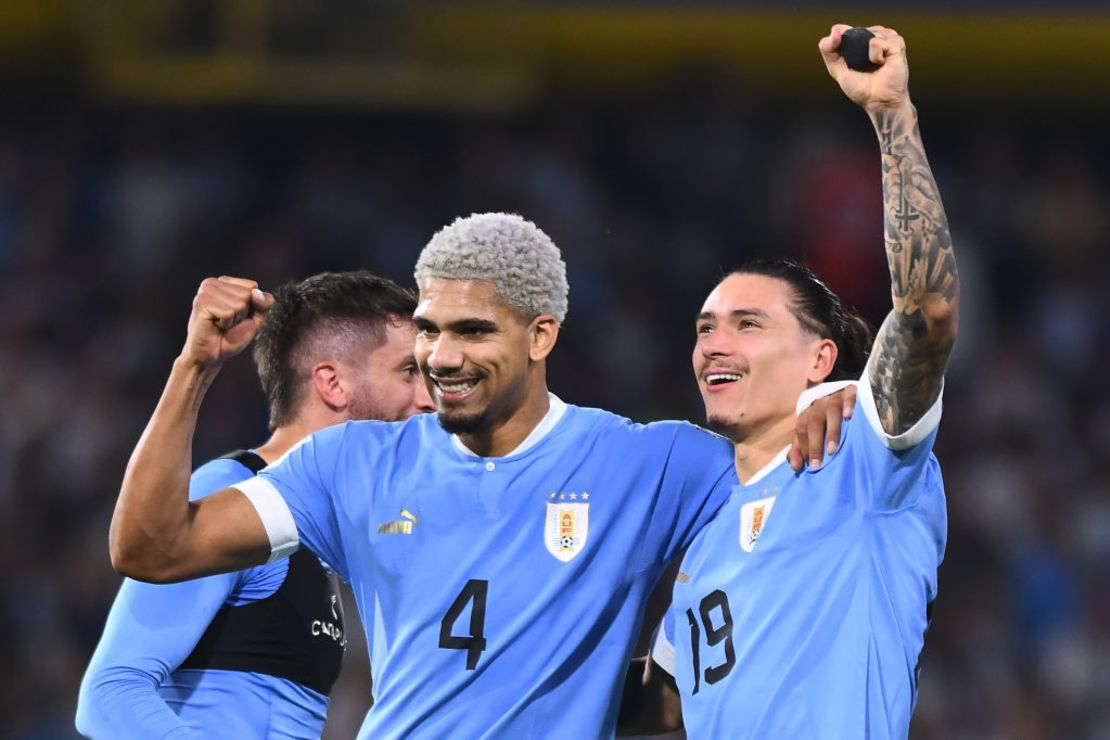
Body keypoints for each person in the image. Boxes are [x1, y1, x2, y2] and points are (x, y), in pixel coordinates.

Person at [107, 213, 853, 735]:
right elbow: (152, 548)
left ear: (540, 335)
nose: (442, 357)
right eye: (428, 330)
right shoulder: (351, 464)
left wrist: (840, 399)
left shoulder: (651, 464)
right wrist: (195, 368)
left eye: (471, 331)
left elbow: (801, 475)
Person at [623, 24, 958, 738]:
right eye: (704, 326)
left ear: (820, 360)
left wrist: (892, 116)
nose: (714, 341)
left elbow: (927, 311)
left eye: (748, 324)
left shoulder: (864, 463)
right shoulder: (705, 535)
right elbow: (662, 711)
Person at [76, 271, 433, 739]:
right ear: (332, 385)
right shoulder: (232, 490)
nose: (429, 399)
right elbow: (109, 696)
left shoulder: (322, 529)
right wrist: (195, 365)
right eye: (409, 371)